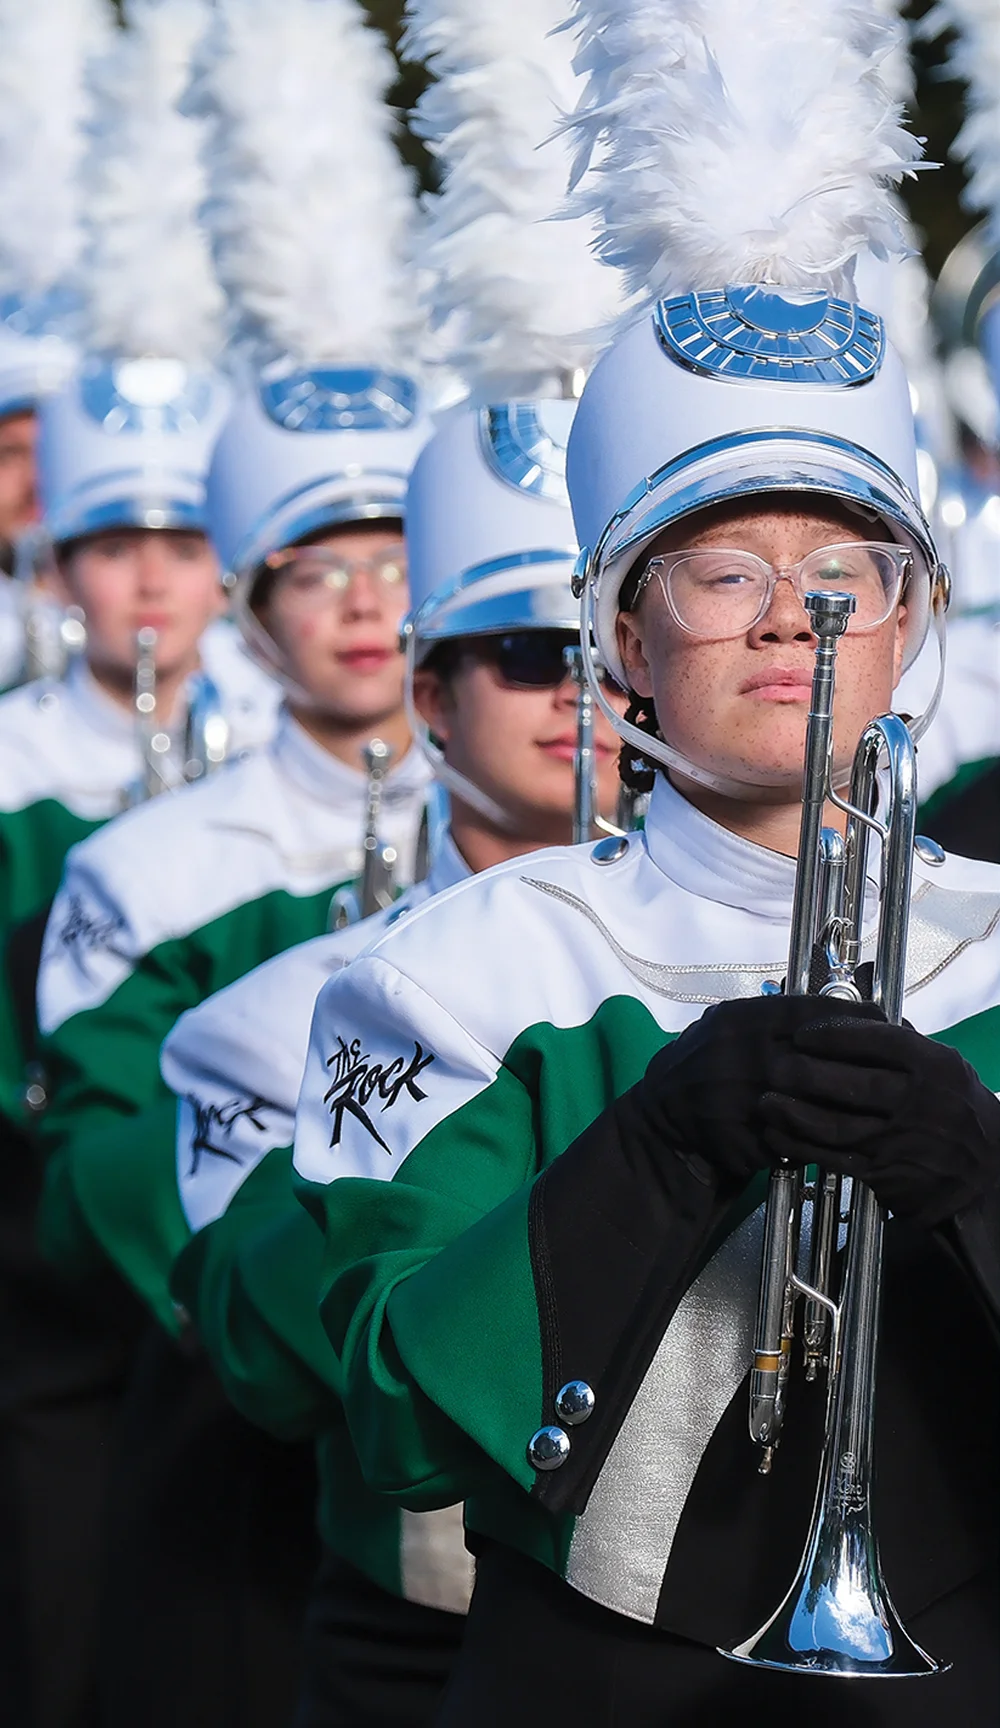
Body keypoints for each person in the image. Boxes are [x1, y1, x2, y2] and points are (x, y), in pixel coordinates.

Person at [290, 5, 1000, 1723]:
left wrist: (976, 1170)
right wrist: (661, 1147)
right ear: (619, 631)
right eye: (722, 569)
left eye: (848, 563)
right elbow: (381, 1402)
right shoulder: (464, 969)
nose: (797, 616)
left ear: (915, 620)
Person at [162, 396, 627, 1725]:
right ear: (433, 692)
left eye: (606, 650)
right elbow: (257, 1353)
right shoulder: (287, 1011)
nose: (580, 697)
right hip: (423, 1641)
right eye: (532, 653)